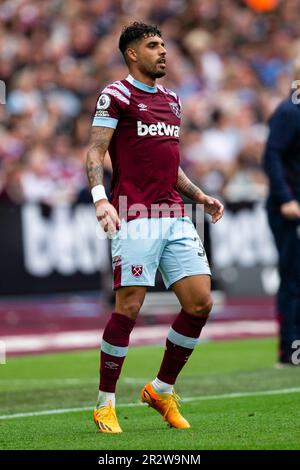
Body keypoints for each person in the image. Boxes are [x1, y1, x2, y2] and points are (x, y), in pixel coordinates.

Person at [86, 22, 224, 434]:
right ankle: (104, 402)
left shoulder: (172, 101)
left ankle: (161, 389)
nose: (163, 51)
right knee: (128, 308)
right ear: (132, 54)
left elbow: (169, 163)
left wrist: (197, 194)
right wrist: (100, 199)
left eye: (163, 45)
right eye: (153, 45)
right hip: (134, 215)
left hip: (176, 215)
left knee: (200, 303)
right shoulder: (116, 96)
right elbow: (95, 151)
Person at [263, 59, 300, 366]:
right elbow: (271, 156)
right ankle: (290, 348)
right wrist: (286, 198)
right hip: (289, 209)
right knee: (293, 276)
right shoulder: (289, 112)